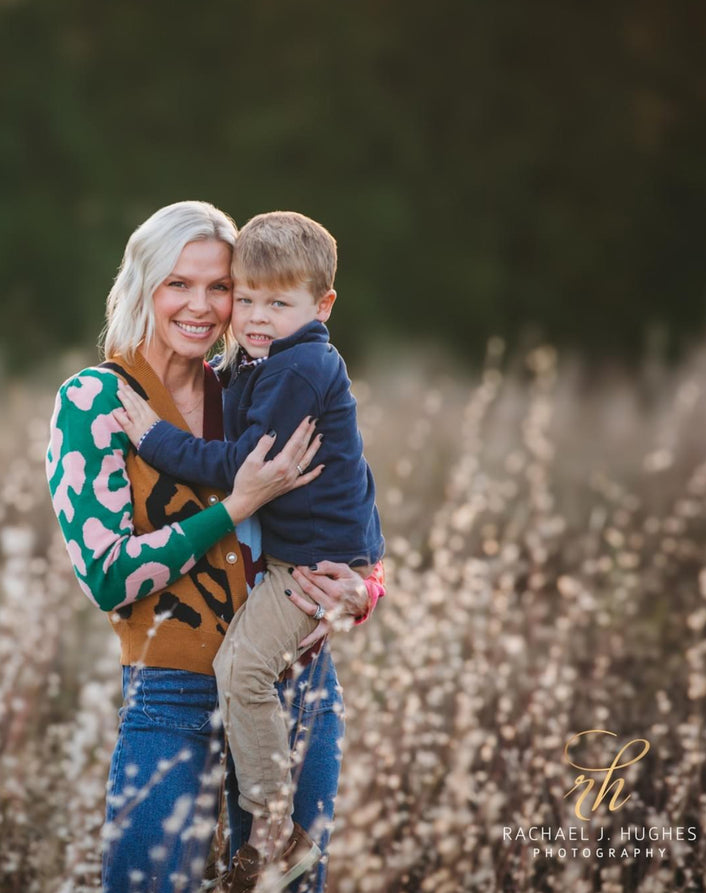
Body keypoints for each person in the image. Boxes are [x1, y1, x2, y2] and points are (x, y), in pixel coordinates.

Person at [45, 201, 385, 893]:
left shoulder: (252, 383)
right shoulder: (95, 402)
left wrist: (365, 589)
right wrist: (237, 504)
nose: (201, 305)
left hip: (298, 686)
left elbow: (344, 496)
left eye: (219, 286)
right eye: (179, 283)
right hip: (172, 694)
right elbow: (109, 574)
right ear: (142, 286)